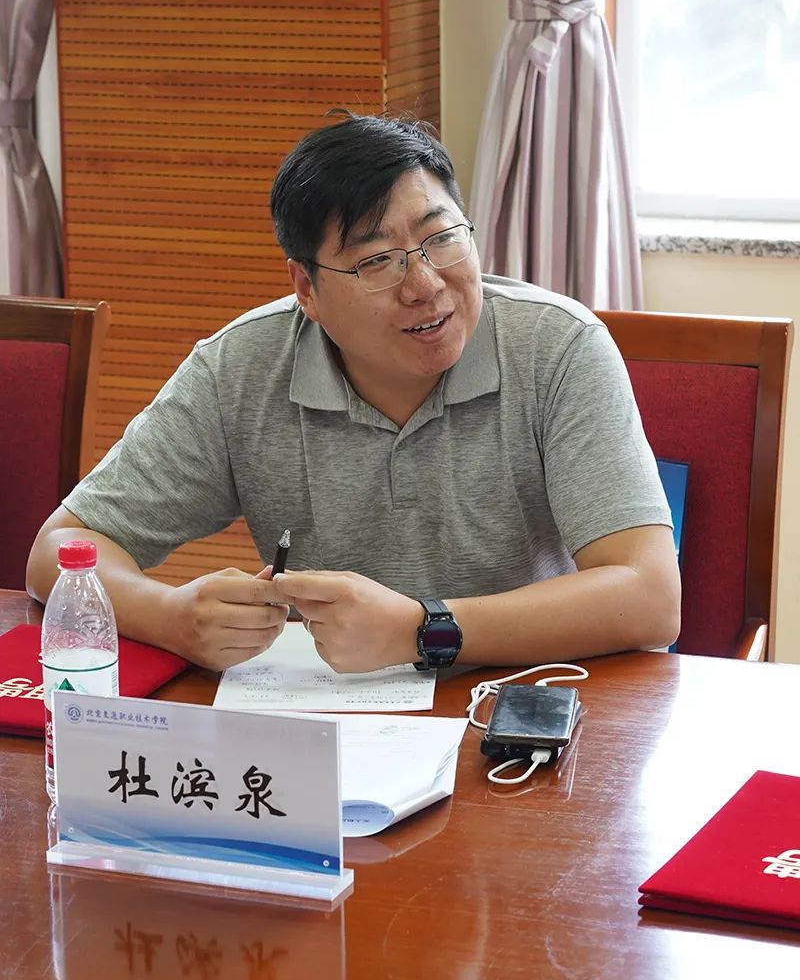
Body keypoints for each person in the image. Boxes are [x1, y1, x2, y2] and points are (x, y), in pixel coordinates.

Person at [27, 112, 680, 674]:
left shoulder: (557, 347)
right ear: (306, 289)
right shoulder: (242, 369)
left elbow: (650, 596)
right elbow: (58, 549)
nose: (425, 285)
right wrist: (171, 615)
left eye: (441, 239)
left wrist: (423, 629)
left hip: (522, 705)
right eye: (376, 261)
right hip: (330, 722)